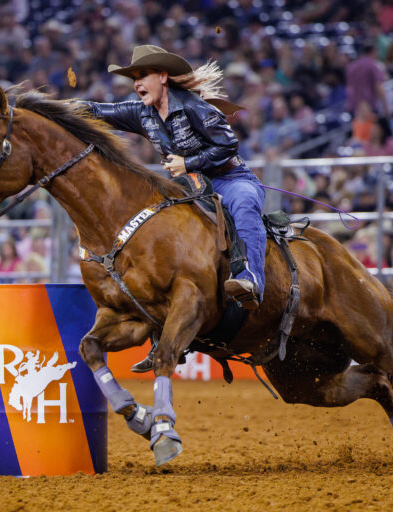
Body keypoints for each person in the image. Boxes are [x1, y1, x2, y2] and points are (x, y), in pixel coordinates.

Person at [80, 45, 267, 371]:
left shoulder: (195, 107)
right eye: (134, 78)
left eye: (143, 76)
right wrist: (51, 108)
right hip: (188, 186)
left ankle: (250, 279)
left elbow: (228, 144)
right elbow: (97, 111)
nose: (137, 83)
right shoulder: (141, 112)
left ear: (163, 77)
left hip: (230, 178)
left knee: (246, 204)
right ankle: (162, 331)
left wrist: (189, 161)